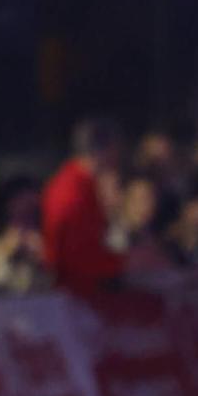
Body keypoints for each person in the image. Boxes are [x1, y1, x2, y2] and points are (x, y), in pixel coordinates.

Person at [41, 117, 127, 296]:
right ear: (106, 150)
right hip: (77, 297)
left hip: (85, 291)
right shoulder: (72, 191)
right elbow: (76, 257)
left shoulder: (85, 185)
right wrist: (127, 262)